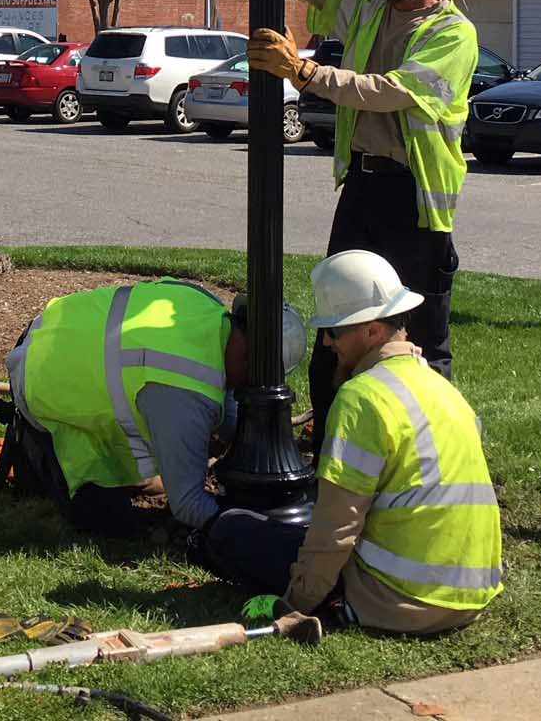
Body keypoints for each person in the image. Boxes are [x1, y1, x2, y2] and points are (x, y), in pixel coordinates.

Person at [241, 0, 476, 413]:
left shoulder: (452, 32)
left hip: (416, 204)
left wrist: (305, 72)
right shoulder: (371, 6)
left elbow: (390, 90)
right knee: (339, 325)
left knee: (418, 340)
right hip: (363, 192)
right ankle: (330, 444)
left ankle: (423, 458)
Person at [201, 250, 502, 636]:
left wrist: (296, 603)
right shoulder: (443, 390)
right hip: (469, 600)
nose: (327, 342)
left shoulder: (363, 397)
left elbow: (336, 528)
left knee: (231, 531)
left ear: (373, 330)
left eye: (335, 330)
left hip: (396, 600)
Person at [0, 280, 307, 536]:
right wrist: (258, 530)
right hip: (36, 379)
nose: (252, 392)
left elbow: (229, 419)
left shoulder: (204, 306)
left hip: (52, 327)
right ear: (251, 363)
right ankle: (34, 444)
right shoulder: (185, 393)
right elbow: (188, 505)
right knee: (107, 520)